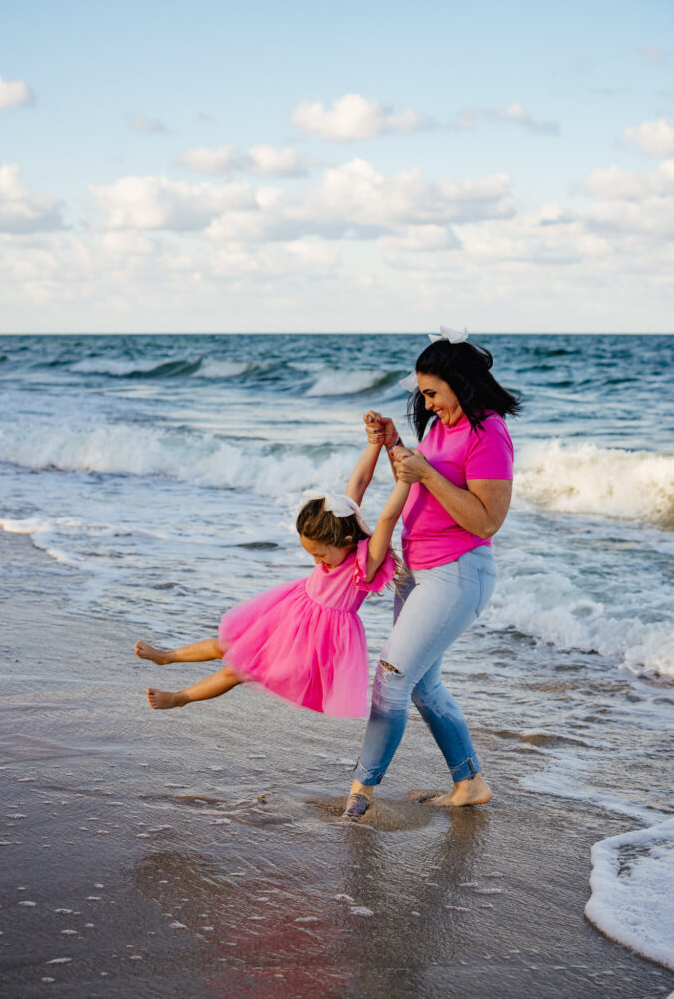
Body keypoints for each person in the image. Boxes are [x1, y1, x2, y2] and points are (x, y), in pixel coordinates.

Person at [342, 327, 521, 819]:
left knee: (391, 680)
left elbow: (487, 520)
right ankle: (470, 784)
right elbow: (424, 474)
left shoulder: (489, 434)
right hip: (417, 573)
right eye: (423, 393)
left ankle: (359, 795)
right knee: (421, 686)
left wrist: (427, 474)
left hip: (457, 574)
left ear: (460, 383)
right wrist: (394, 442)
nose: (426, 401)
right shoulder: (445, 425)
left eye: (431, 392)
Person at [136, 431, 410, 720]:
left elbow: (388, 518)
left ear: (343, 539)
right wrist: (374, 444)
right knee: (226, 645)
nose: (317, 561)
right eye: (311, 555)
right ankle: (167, 657)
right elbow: (357, 483)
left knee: (238, 670)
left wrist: (406, 480)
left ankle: (179, 698)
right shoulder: (337, 521)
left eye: (320, 554)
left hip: (314, 641)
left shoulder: (365, 564)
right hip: (288, 614)